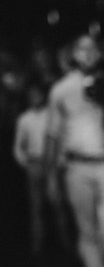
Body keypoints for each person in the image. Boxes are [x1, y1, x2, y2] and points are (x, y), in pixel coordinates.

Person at [46, 33, 104, 267]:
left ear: (98, 53)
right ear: (73, 54)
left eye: (92, 48)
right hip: (76, 167)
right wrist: (52, 176)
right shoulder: (61, 90)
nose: (88, 53)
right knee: (86, 231)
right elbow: (52, 136)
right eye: (82, 49)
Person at [12, 81, 50, 255]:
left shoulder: (50, 115)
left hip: (50, 163)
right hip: (34, 164)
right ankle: (38, 243)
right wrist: (26, 164)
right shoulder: (24, 119)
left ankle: (64, 242)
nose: (35, 98)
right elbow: (18, 147)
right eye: (31, 95)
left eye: (38, 94)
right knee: (36, 206)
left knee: (57, 204)